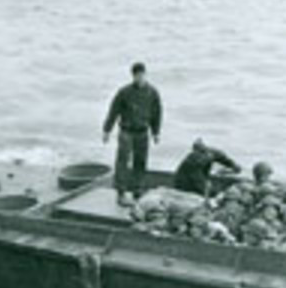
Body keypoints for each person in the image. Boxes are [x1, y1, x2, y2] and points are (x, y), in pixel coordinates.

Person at [102, 62, 162, 204]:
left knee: (140, 162)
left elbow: (157, 113)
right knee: (122, 162)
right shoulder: (124, 92)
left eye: (142, 75)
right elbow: (113, 111)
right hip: (126, 132)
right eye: (137, 75)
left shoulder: (152, 93)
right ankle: (121, 193)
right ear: (133, 76)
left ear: (145, 75)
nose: (140, 78)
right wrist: (107, 130)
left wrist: (156, 132)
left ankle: (138, 191)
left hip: (143, 132)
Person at [173, 138, 240, 196]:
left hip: (200, 176)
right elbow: (198, 179)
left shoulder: (211, 153)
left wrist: (233, 165)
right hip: (185, 184)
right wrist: (209, 190)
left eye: (203, 152)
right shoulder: (192, 161)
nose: (202, 156)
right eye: (200, 153)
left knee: (208, 188)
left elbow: (221, 157)